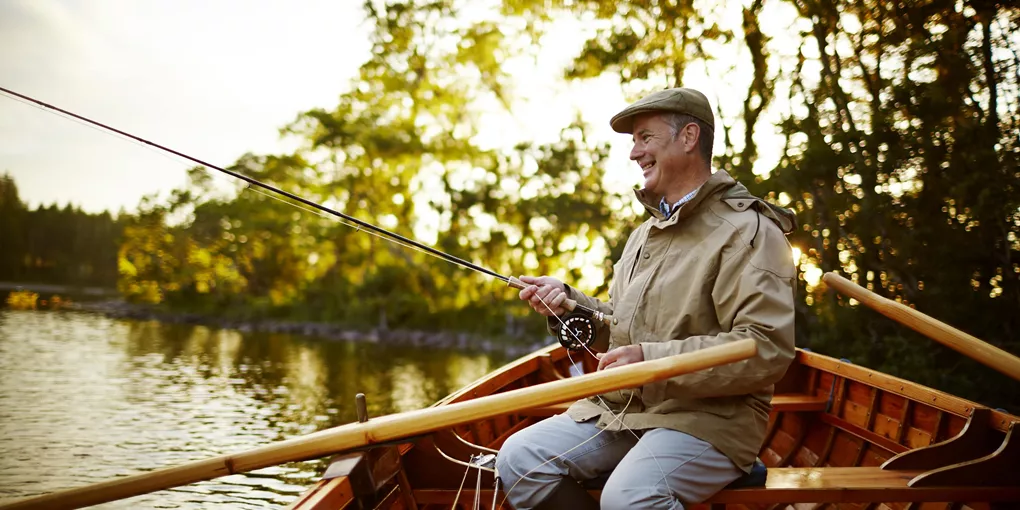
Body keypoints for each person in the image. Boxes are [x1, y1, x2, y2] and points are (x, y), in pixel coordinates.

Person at [494, 87, 798, 509]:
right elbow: (621, 333)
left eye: (644, 138)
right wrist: (567, 303)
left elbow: (766, 348)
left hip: (709, 420)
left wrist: (651, 361)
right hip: (622, 411)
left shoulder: (750, 230)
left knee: (628, 498)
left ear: (689, 137)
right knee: (519, 458)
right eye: (634, 141)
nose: (634, 153)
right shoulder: (644, 235)